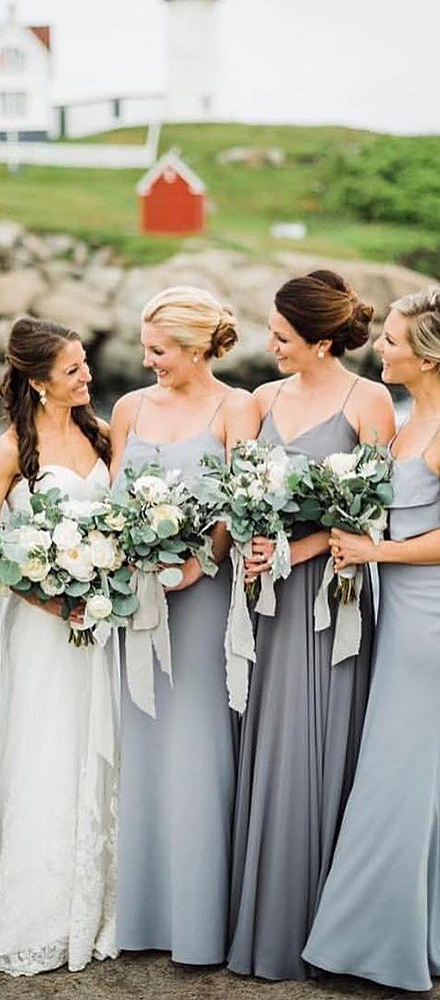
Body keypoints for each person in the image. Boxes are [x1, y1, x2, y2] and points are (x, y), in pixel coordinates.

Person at [227, 270, 396, 981]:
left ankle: (321, 923)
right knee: (268, 744)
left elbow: (374, 512)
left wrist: (294, 550)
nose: (270, 346)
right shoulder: (262, 399)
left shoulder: (372, 401)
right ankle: (263, 921)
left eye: (283, 336)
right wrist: (251, 542)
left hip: (331, 599)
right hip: (267, 601)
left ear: (323, 341)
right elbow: (235, 492)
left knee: (321, 741)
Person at [110, 286, 260, 964]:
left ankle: (199, 922)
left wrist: (205, 558)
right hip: (134, 599)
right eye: (145, 348)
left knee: (197, 740)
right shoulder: (128, 408)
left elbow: (240, 499)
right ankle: (138, 916)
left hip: (201, 598)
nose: (147, 362)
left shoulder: (237, 407)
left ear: (197, 348)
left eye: (158, 350)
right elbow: (113, 497)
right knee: (138, 737)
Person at [302, 288, 440, 992]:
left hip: (428, 624)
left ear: (427, 355)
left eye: (389, 339)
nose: (377, 346)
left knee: (395, 774)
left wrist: (375, 554)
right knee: (416, 776)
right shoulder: (412, 419)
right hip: (400, 612)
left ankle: (371, 944)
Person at [0, 317, 119, 976]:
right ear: (36, 382)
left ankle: (103, 901)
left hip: (103, 621)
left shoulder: (104, 434)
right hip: (41, 625)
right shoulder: (8, 450)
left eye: (85, 362)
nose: (87, 376)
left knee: (99, 750)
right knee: (46, 750)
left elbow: (129, 525)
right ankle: (39, 906)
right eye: (72, 370)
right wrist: (51, 597)